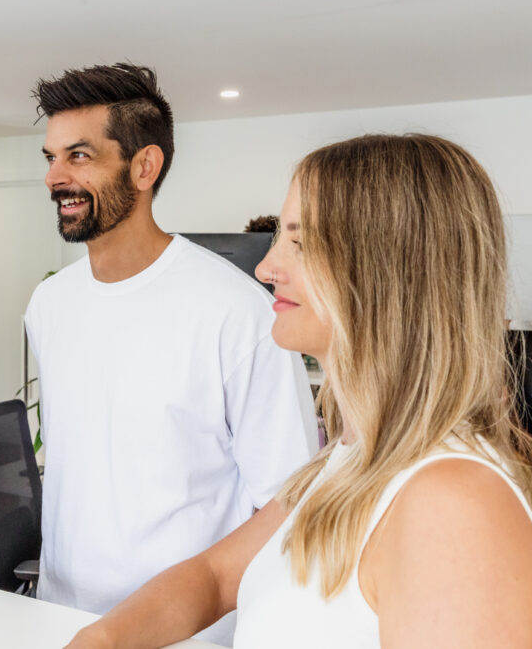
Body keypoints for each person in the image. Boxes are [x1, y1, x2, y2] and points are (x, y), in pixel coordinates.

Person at [65, 133, 532, 649]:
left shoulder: (452, 506)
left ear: (388, 272)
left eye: (301, 243)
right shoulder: (351, 458)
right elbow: (216, 578)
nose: (266, 269)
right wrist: (103, 639)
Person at [25, 63, 317, 645]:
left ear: (144, 166)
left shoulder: (238, 311)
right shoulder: (49, 303)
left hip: (188, 635)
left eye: (79, 156)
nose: (55, 176)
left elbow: (288, 501)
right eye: (50, 157)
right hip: (62, 620)